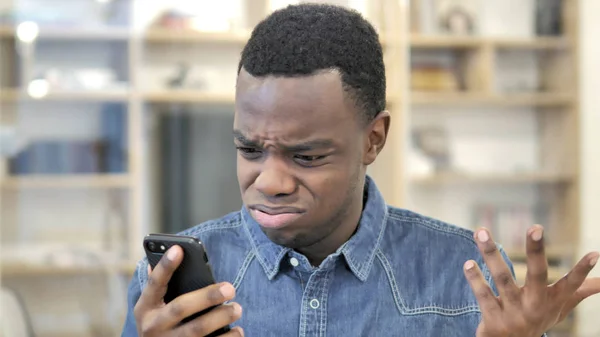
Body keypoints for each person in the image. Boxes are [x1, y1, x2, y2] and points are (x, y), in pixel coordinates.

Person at [121, 3, 600, 337]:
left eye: (306, 157)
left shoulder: (467, 279)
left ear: (374, 139)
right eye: (249, 149)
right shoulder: (166, 291)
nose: (269, 182)